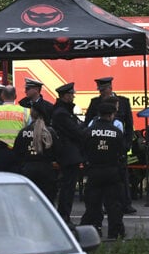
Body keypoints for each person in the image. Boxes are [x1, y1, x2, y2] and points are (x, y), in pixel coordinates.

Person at [85, 77, 136, 214]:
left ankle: (126, 203)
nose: (101, 93)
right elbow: (88, 123)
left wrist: (127, 144)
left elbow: (129, 125)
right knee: (104, 179)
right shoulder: (95, 102)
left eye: (103, 90)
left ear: (110, 88)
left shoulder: (123, 102)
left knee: (122, 176)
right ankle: (102, 206)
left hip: (118, 146)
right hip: (100, 147)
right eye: (100, 90)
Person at [82, 101, 126, 239]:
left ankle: (94, 231)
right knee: (113, 204)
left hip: (94, 171)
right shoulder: (117, 132)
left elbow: (83, 150)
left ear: (99, 114)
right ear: (112, 115)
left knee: (93, 204)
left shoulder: (88, 132)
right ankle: (114, 233)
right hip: (112, 171)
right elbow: (123, 151)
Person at [50, 82, 88, 224]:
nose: (73, 97)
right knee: (68, 188)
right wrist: (83, 128)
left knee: (68, 186)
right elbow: (76, 131)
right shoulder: (62, 113)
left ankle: (64, 215)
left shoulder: (64, 111)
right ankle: (64, 216)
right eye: (71, 94)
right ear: (65, 96)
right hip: (68, 154)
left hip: (69, 153)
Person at [13, 102, 61, 205]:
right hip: (47, 170)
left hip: (28, 169)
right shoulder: (50, 132)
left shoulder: (23, 131)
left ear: (32, 113)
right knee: (47, 202)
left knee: (28, 201)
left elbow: (17, 152)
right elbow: (58, 152)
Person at [0, 85, 31, 172]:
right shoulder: (25, 111)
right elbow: (30, 132)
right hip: (19, 153)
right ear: (15, 96)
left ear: (2, 96)